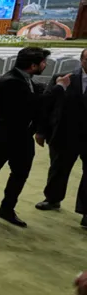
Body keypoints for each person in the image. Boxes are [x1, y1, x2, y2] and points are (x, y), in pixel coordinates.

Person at [0, 47, 52, 227]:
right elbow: (31, 106)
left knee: (20, 174)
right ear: (33, 65)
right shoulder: (11, 81)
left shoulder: (27, 79)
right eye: (43, 62)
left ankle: (7, 208)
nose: (45, 65)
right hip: (2, 135)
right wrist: (57, 90)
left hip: (23, 136)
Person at [35, 48, 87, 227]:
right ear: (81, 60)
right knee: (58, 168)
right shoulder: (64, 77)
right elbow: (47, 106)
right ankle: (52, 199)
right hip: (65, 133)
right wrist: (41, 131)